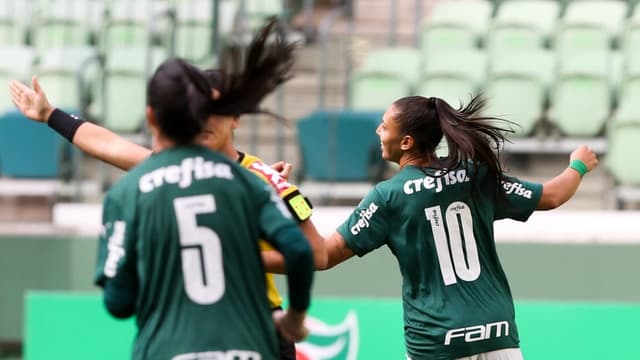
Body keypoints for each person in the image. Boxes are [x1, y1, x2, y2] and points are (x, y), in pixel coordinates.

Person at [9, 19, 325, 360]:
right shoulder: (195, 175)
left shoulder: (260, 177)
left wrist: (231, 254)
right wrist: (51, 114)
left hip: (253, 322)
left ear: (235, 119)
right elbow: (110, 146)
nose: (206, 120)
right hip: (207, 327)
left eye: (216, 112)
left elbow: (316, 253)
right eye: (198, 111)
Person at [305, 95, 596, 359]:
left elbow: (324, 255)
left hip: (436, 342)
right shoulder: (474, 174)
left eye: (383, 126)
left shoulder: (388, 196)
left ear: (406, 142)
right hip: (498, 336)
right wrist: (578, 166)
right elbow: (552, 196)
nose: (378, 132)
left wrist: (290, 205)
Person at [99, 56, 314, 359]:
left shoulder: (127, 192)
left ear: (150, 116)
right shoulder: (248, 180)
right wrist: (295, 319)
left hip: (167, 349)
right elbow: (301, 250)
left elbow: (118, 303)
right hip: (248, 347)